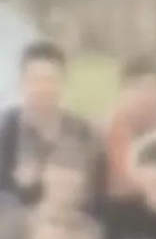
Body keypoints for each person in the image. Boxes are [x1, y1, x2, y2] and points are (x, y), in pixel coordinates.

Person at [0, 41, 98, 206]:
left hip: (70, 216)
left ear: (63, 83)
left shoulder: (82, 132)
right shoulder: (5, 130)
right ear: (21, 84)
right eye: (35, 81)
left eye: (50, 80)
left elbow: (93, 193)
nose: (42, 89)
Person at [99, 55, 156, 203]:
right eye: (139, 89)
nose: (147, 97)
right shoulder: (101, 134)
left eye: (155, 90)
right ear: (123, 90)